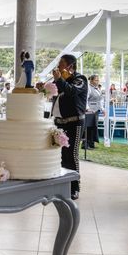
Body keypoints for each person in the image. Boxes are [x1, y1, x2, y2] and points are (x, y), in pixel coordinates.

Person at [46, 54, 88, 200]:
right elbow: (50, 92)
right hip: (59, 123)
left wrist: (59, 80)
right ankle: (63, 184)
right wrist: (44, 88)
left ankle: (75, 187)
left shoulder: (80, 79)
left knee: (72, 155)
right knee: (61, 155)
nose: (58, 67)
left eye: (61, 64)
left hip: (74, 122)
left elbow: (71, 91)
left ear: (70, 66)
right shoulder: (60, 80)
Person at [84, 75, 103, 149]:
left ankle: (91, 143)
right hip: (90, 110)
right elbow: (85, 99)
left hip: (96, 110)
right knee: (88, 127)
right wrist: (87, 108)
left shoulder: (98, 88)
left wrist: (102, 108)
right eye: (96, 80)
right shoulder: (88, 88)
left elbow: (100, 99)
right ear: (91, 81)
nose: (97, 81)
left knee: (94, 127)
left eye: (98, 80)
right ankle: (85, 144)